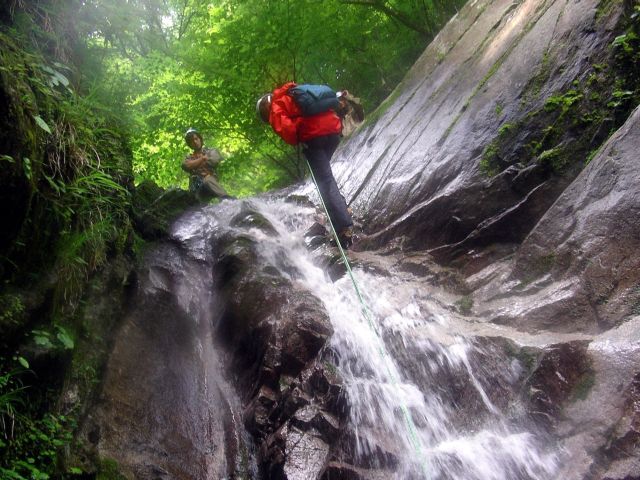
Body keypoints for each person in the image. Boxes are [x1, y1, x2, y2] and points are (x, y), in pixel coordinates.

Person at [256, 82, 353, 248]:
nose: (267, 119)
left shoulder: (275, 108)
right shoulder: (292, 92)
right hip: (333, 130)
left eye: (264, 116)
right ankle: (342, 210)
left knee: (324, 181)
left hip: (314, 137)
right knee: (324, 178)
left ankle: (343, 227)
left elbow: (290, 135)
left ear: (266, 105)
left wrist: (300, 130)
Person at [181, 128, 232, 201]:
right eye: (192, 141)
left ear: (200, 139)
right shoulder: (189, 157)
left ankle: (226, 198)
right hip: (195, 186)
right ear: (189, 144)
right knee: (195, 203)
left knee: (207, 180)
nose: (195, 142)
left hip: (210, 181)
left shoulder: (211, 151)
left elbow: (214, 160)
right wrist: (202, 159)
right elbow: (186, 165)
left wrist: (194, 164)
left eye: (196, 139)